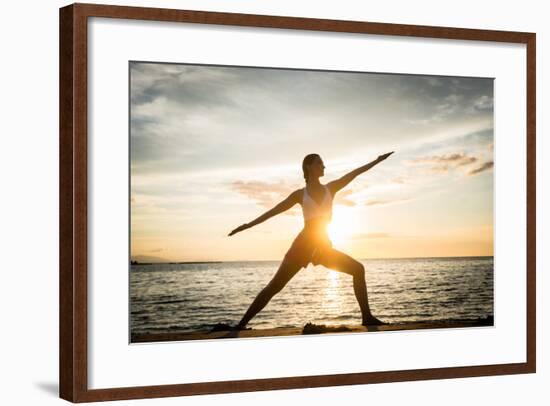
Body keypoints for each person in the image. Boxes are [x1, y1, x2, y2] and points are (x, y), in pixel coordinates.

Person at [228, 151, 394, 329]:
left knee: (358, 270)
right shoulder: (300, 194)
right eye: (319, 163)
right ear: (308, 167)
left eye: (323, 163)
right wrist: (248, 225)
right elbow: (274, 211)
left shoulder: (331, 188)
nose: (323, 166)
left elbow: (354, 173)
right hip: (302, 246)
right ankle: (241, 325)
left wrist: (376, 161)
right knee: (274, 287)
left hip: (323, 247)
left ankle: (367, 317)